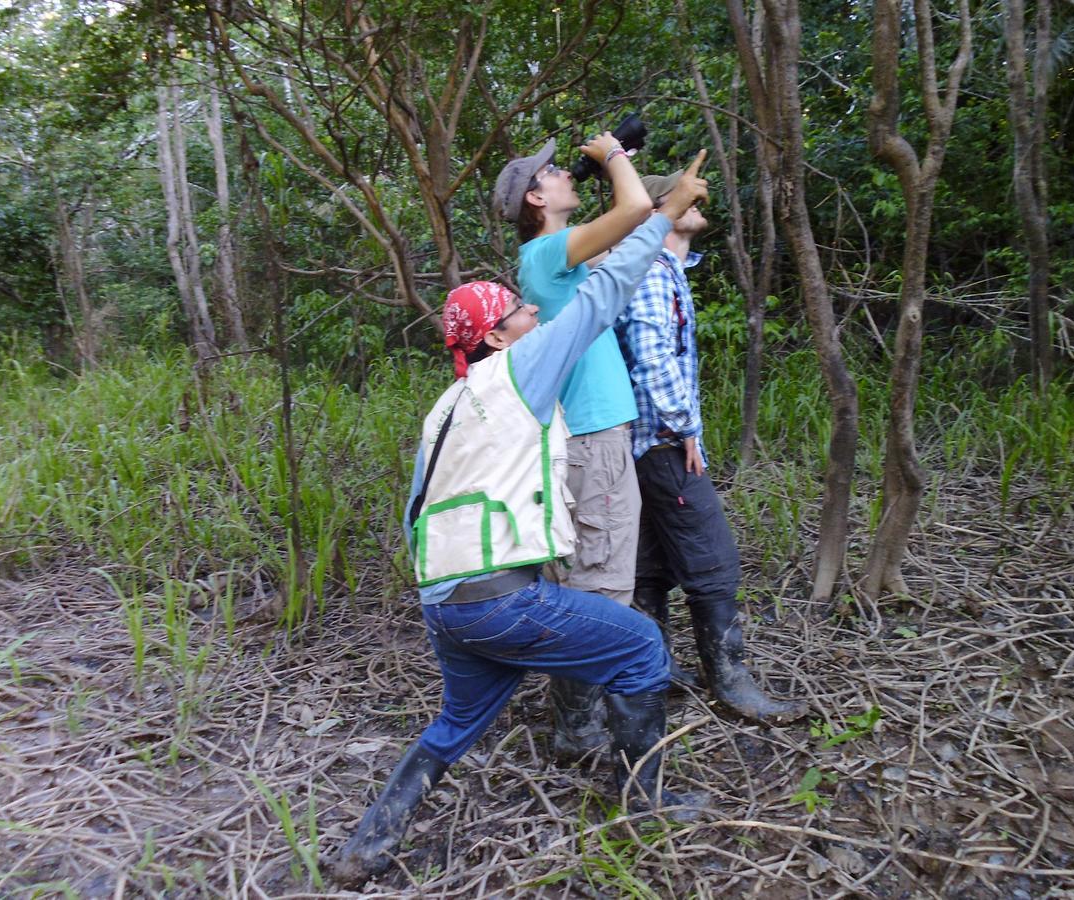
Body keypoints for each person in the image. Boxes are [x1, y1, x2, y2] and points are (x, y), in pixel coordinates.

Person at [328, 145, 710, 889]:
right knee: (638, 647)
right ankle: (645, 803)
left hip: (445, 603)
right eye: (521, 311)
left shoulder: (447, 406)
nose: (535, 312)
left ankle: (366, 844)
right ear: (497, 336)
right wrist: (663, 211)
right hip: (498, 599)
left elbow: (415, 511)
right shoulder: (523, 368)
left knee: (456, 725)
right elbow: (604, 295)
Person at [615, 170, 807, 724]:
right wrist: (684, 429)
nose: (699, 200)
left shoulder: (665, 269)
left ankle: (657, 667)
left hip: (646, 444)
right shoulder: (652, 273)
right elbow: (652, 362)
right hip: (663, 441)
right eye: (685, 193)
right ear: (662, 209)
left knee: (650, 561)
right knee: (713, 561)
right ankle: (729, 681)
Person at [493, 131, 651, 760]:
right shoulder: (545, 255)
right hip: (592, 440)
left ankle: (577, 725)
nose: (565, 174)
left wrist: (623, 167)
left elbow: (639, 213)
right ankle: (594, 736)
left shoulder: (560, 255)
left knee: (589, 581)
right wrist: (611, 155)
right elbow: (637, 210)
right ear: (536, 196)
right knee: (603, 588)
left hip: (590, 437)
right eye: (554, 172)